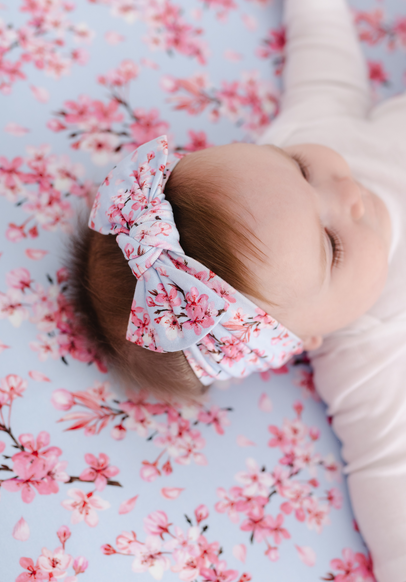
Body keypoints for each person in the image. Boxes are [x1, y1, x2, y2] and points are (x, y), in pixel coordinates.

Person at [67, 0, 406, 580]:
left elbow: (327, 66)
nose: (344, 190)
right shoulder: (369, 347)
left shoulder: (311, 135)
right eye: (332, 246)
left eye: (298, 166)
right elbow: (387, 469)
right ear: (306, 336)